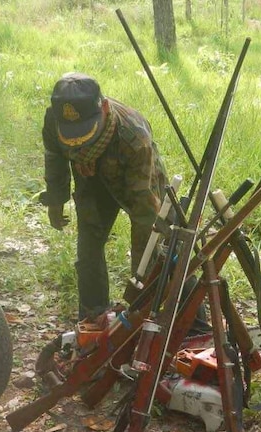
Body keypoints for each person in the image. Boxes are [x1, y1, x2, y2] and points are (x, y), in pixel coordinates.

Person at [41, 72, 167, 320]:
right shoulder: (54, 121)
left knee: (161, 249)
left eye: (85, 133)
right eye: (72, 135)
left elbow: (145, 215)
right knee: (88, 252)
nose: (78, 142)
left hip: (139, 181)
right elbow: (54, 157)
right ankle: (93, 319)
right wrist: (56, 200)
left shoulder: (135, 138)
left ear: (105, 109)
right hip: (91, 180)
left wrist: (138, 287)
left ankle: (184, 322)